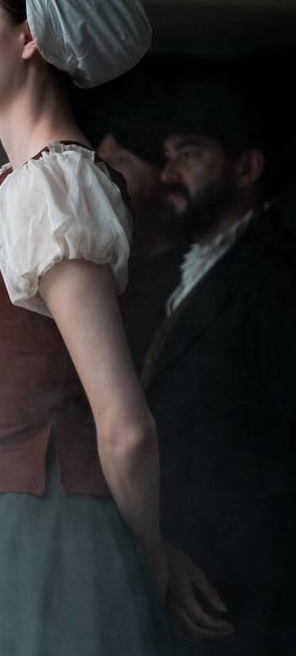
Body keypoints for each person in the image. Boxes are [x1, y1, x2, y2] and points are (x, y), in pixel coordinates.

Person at [0, 0, 229, 654]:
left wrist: (144, 565)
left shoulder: (56, 187)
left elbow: (124, 423)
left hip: (42, 529)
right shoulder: (9, 189)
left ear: (29, 36)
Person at [143, 75, 296, 654]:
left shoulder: (278, 273)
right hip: (201, 573)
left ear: (246, 167)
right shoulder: (189, 266)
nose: (167, 173)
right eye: (166, 155)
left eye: (188, 153)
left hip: (253, 584)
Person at [80, 73, 190, 368]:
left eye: (121, 161)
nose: (101, 174)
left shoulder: (185, 279)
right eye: (99, 161)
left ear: (166, 175)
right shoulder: (100, 269)